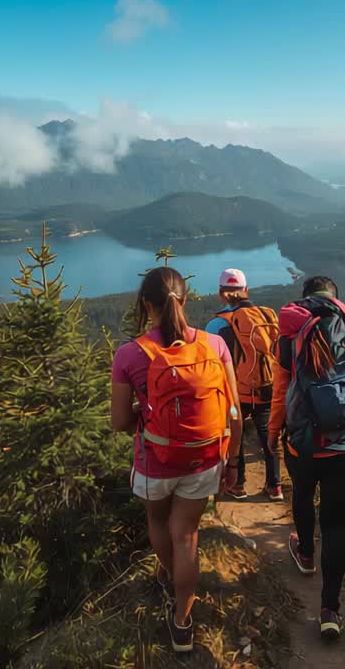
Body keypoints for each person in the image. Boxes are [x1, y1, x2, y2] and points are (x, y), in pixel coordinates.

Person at [111, 266, 243, 654]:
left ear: (146, 305)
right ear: (185, 300)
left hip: (155, 459)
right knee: (186, 534)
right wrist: (231, 462)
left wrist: (144, 408)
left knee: (158, 522)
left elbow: (119, 421)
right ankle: (183, 622)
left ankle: (169, 578)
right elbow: (233, 410)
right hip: (204, 457)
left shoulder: (130, 354)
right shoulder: (215, 346)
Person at [268, 275, 345, 640]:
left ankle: (304, 554)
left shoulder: (290, 338)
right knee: (334, 526)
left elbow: (281, 389)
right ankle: (330, 609)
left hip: (303, 444)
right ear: (337, 301)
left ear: (304, 302)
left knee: (301, 492)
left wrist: (272, 431)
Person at [204, 268, 283, 501]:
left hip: (236, 391)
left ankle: (237, 485)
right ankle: (275, 486)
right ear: (246, 290)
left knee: (234, 434)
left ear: (221, 294)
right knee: (269, 436)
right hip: (267, 386)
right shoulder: (267, 317)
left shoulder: (216, 326)